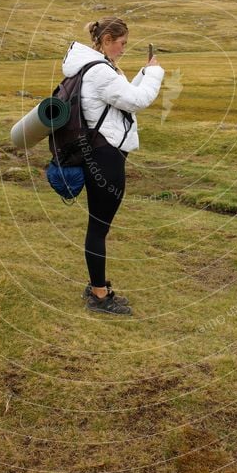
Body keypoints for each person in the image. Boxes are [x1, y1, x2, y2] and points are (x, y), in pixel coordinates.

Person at [61, 16, 165, 316]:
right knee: (98, 227)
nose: (123, 49)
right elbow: (137, 101)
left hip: (99, 153)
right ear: (106, 40)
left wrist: (145, 72)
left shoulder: (94, 67)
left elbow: (121, 98)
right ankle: (99, 294)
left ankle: (97, 285)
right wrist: (156, 75)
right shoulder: (99, 72)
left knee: (98, 226)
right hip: (105, 157)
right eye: (121, 44)